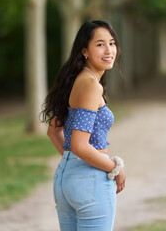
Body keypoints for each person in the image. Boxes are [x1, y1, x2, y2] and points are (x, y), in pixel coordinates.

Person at [41, 20, 126, 231]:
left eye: (112, 43)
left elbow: (54, 131)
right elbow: (80, 145)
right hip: (90, 181)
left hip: (66, 178)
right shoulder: (90, 86)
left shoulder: (75, 81)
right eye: (100, 44)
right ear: (84, 51)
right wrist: (115, 167)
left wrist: (73, 166)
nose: (109, 50)